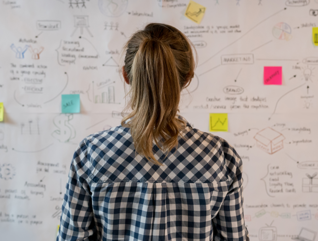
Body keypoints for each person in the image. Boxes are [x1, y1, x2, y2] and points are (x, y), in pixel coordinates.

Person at [57, 23, 250, 241]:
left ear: (127, 76)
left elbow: (71, 238)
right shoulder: (221, 156)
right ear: (187, 79)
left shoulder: (91, 153)